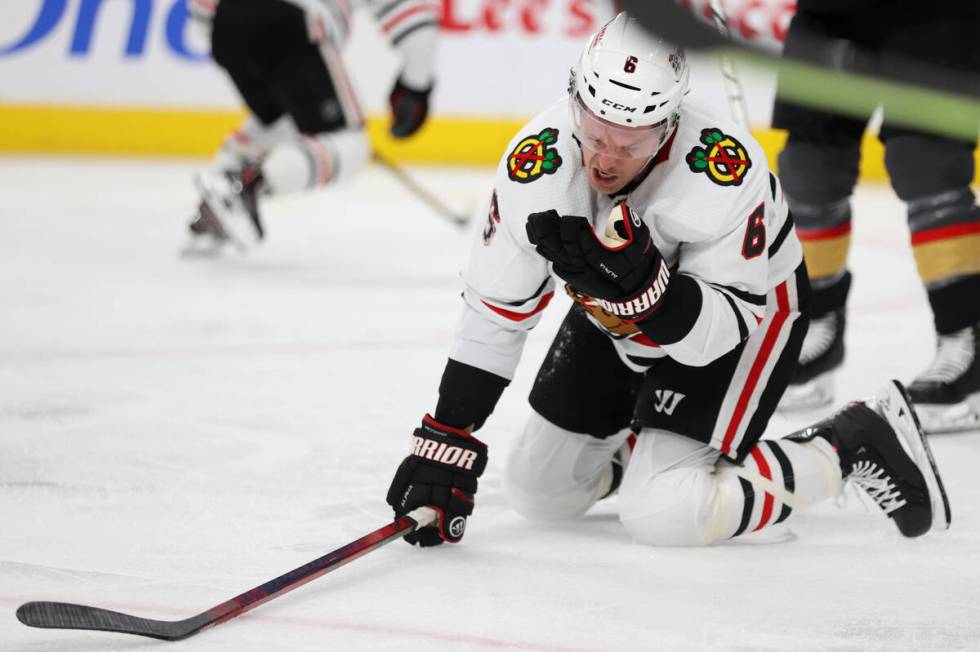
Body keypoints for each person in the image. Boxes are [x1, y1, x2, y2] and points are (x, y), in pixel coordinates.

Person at [383, 12, 950, 548]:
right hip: (620, 313)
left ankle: (850, 443)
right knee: (541, 490)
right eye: (595, 132)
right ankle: (662, 445)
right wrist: (449, 436)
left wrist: (648, 296)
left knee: (664, 513)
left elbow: (719, 334)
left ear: (668, 125)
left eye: (630, 144)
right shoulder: (539, 164)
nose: (605, 160)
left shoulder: (723, 174)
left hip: (746, 313)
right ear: (575, 96)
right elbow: (495, 310)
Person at [772, 0, 980, 433]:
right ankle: (818, 334)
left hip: (936, 11)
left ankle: (966, 339)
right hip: (831, 10)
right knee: (809, 166)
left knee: (925, 157)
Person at [184, 0, 438, 253]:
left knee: (278, 121)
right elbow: (410, 11)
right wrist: (416, 86)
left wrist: (225, 29)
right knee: (350, 143)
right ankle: (248, 184)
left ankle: (216, 201)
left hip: (225, 25)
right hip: (294, 21)